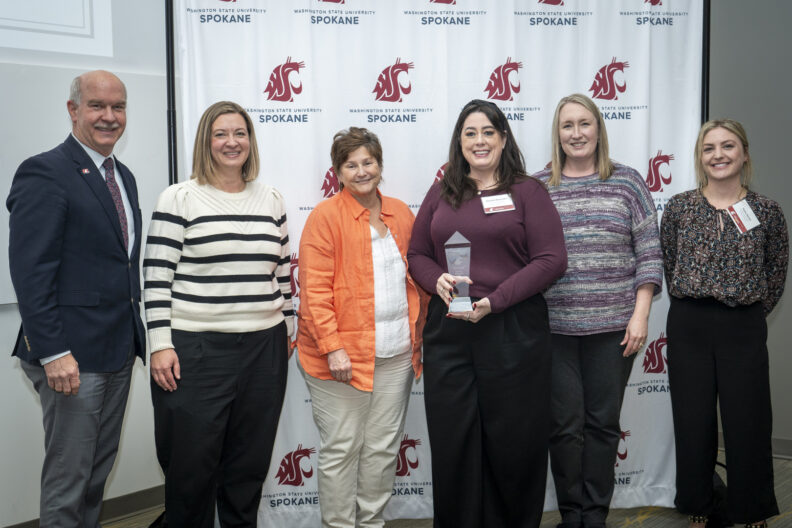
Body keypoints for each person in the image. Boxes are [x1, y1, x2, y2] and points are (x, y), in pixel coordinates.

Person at [407, 99, 567, 528]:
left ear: (503, 138)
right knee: (454, 441)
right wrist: (436, 278)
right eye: (470, 133)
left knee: (513, 444)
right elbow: (418, 253)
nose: (479, 141)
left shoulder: (527, 191)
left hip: (513, 330)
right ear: (459, 143)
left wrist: (496, 300)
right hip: (452, 329)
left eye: (488, 132)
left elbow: (552, 259)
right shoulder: (442, 191)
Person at [143, 101, 293, 527]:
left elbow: (281, 274)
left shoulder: (272, 199)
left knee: (247, 469)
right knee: (191, 472)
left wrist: (290, 326)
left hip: (264, 349)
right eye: (221, 134)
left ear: (251, 141)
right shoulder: (180, 197)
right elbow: (156, 280)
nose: (232, 142)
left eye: (240, 133)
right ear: (206, 141)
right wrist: (160, 345)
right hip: (197, 350)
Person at [6, 70, 145, 527]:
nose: (109, 117)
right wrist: (53, 351)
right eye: (97, 106)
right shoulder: (45, 170)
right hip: (71, 357)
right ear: (73, 110)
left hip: (117, 350)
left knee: (95, 476)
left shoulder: (122, 175)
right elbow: (31, 271)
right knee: (68, 483)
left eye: (118, 107)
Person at [533, 93, 663, 528]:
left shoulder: (628, 182)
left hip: (615, 330)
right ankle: (572, 515)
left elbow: (649, 253)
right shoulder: (537, 187)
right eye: (567, 125)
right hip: (553, 329)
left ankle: (595, 516)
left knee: (604, 425)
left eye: (584, 123)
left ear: (598, 129)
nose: (576, 133)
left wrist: (641, 314)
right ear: (558, 134)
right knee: (565, 428)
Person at [661, 119, 788, 528]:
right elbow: (669, 262)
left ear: (744, 153)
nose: (718, 155)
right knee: (693, 419)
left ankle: (751, 508)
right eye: (709, 148)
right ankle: (700, 502)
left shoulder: (767, 211)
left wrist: (745, 310)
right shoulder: (680, 207)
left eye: (728, 146)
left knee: (748, 420)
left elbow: (776, 272)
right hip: (690, 325)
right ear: (700, 158)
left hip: (743, 326)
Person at [297, 127, 426, 528]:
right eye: (350, 165)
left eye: (367, 162)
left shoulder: (402, 213)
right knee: (341, 449)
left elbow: (419, 275)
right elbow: (314, 291)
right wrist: (333, 347)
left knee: (383, 450)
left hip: (396, 355)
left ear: (380, 165)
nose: (361, 171)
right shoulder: (324, 218)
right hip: (341, 360)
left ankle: (371, 523)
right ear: (338, 172)